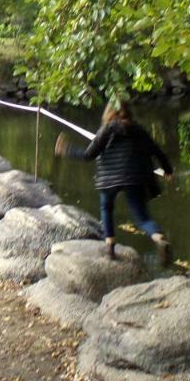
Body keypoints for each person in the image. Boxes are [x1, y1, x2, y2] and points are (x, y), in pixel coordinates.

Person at [55, 99, 174, 264]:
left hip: (109, 178)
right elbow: (157, 151)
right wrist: (168, 170)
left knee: (107, 209)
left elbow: (88, 155)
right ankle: (159, 238)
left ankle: (110, 248)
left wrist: (66, 149)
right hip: (135, 177)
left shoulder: (106, 130)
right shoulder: (139, 130)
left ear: (109, 113)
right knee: (142, 216)